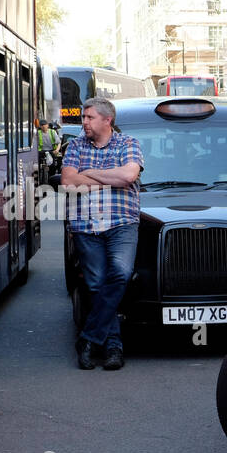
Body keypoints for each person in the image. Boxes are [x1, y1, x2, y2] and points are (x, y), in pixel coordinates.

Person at [60, 97, 144, 370]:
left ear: (107, 120)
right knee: (96, 285)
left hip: (122, 222)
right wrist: (110, 177)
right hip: (85, 226)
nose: (83, 122)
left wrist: (92, 173)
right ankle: (112, 348)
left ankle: (88, 338)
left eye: (89, 117)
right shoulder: (74, 145)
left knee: (120, 273)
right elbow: (69, 182)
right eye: (84, 117)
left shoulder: (128, 143)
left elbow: (128, 177)